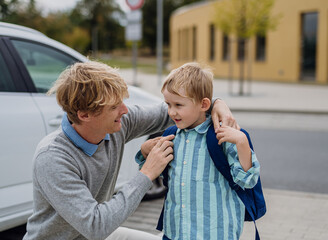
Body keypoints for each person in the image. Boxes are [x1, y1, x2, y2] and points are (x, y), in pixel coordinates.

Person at [23, 61, 237, 240]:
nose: (125, 111)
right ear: (84, 115)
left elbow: (177, 108)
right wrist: (147, 173)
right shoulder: (52, 157)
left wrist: (216, 103)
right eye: (114, 107)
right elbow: (96, 225)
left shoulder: (117, 123)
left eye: (122, 102)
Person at [136, 62, 261, 240]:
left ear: (204, 104)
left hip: (215, 234)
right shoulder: (172, 136)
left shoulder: (222, 136)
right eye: (168, 104)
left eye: (178, 105)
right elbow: (159, 174)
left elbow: (247, 181)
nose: (171, 112)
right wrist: (145, 151)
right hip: (175, 232)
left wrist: (242, 142)